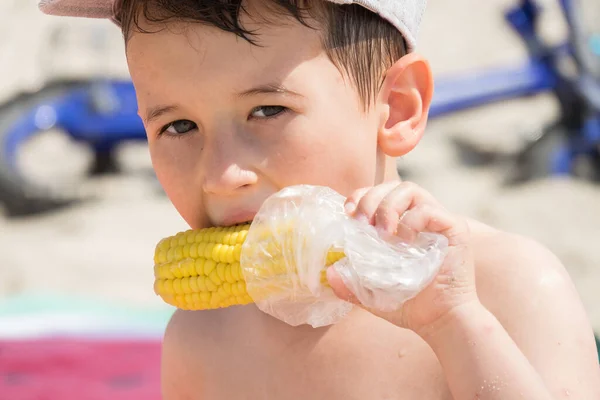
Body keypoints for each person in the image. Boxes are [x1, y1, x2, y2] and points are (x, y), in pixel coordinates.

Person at [39, 0, 600, 398]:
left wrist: (456, 325)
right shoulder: (201, 337)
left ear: (397, 108)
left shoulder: (511, 285)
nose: (222, 175)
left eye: (267, 111)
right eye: (180, 126)